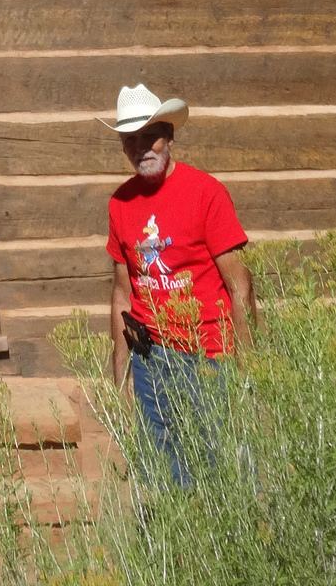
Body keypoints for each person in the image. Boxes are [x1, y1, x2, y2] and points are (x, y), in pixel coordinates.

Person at [102, 82, 254, 481]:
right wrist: (122, 374)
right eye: (130, 139)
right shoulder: (120, 204)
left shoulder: (206, 193)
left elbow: (240, 285)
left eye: (149, 136)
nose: (141, 148)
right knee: (167, 482)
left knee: (225, 477)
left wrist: (251, 369)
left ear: (169, 136)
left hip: (210, 358)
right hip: (153, 361)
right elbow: (123, 290)